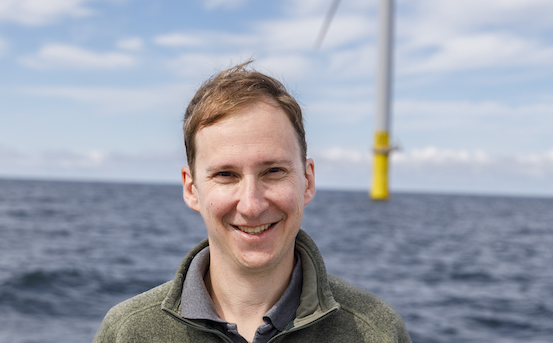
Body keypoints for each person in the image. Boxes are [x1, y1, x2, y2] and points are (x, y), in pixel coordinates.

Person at [94, 62, 411, 343]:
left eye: (273, 171)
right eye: (226, 174)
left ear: (308, 181)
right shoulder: (127, 332)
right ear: (191, 189)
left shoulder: (376, 332)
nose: (251, 205)